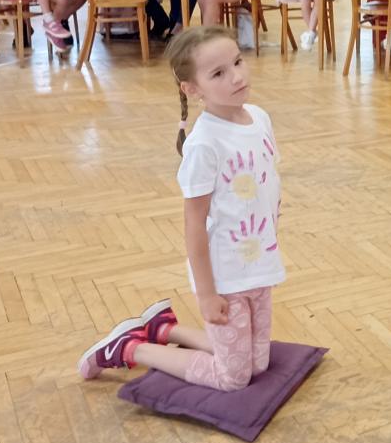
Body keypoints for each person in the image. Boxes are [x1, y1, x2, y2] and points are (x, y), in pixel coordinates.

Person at [77, 25, 285, 390]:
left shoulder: (259, 117)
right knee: (233, 378)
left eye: (238, 62)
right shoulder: (204, 145)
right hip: (225, 275)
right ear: (192, 89)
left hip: (259, 264)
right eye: (218, 73)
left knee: (258, 364)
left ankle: (164, 328)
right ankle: (129, 348)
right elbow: (194, 224)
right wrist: (207, 295)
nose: (237, 76)